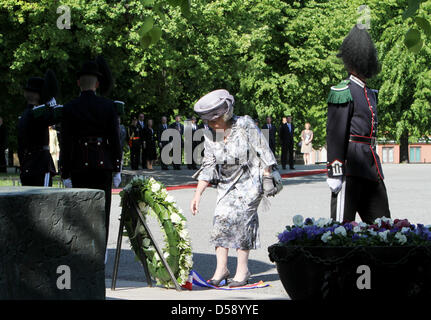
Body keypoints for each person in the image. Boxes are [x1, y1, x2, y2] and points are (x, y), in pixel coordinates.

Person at [190, 89, 279, 288]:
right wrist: (198, 194)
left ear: (226, 114)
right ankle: (221, 269)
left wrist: (267, 176)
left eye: (215, 119)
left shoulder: (244, 123)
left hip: (250, 178)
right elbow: (209, 164)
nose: (212, 124)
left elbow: (263, 149)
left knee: (242, 220)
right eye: (208, 121)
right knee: (220, 219)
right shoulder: (209, 134)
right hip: (227, 181)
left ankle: (242, 270)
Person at [326, 24, 390, 224]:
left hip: (371, 167)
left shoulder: (369, 93)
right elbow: (336, 134)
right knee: (341, 230)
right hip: (350, 168)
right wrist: (335, 171)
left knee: (384, 226)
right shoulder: (343, 90)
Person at [60, 57, 122, 245]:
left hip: (78, 166)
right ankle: (101, 252)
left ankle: (82, 250)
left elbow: (66, 142)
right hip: (102, 166)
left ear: (78, 83)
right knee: (102, 212)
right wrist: (117, 167)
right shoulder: (108, 106)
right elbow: (114, 140)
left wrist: (65, 172)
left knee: (81, 213)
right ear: (97, 83)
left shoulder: (69, 108)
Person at [18, 72, 57, 186]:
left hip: (27, 164)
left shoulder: (24, 114)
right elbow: (54, 118)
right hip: (40, 164)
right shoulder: (38, 113)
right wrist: (52, 105)